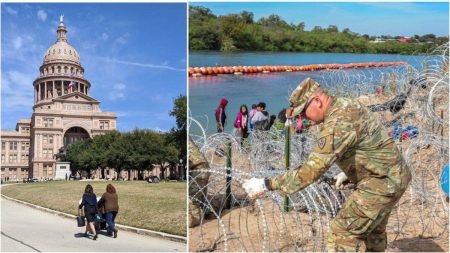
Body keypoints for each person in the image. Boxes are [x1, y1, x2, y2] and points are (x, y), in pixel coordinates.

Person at [242, 77, 411, 252]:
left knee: (341, 234)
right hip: (394, 175)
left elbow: (310, 172)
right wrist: (350, 172)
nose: (303, 118)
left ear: (317, 101)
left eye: (303, 112)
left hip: (380, 183)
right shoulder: (347, 104)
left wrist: (266, 184)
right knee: (373, 230)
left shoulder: (336, 124)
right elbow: (370, 142)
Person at [188, 137, 211, 228]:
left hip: (198, 169)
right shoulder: (190, 140)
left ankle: (195, 219)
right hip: (204, 166)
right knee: (202, 194)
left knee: (193, 197)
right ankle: (208, 213)